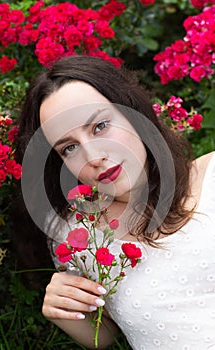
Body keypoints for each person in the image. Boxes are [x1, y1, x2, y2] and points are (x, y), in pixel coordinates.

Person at [15, 55, 215, 350]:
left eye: (100, 126)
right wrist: (64, 309)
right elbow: (106, 336)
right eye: (69, 148)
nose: (93, 155)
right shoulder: (78, 237)